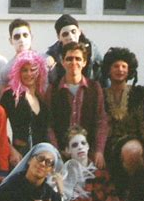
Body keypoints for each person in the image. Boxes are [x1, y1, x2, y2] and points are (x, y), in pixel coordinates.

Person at [45, 41, 108, 169]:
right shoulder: (53, 89)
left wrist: (99, 151)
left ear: (84, 62)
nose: (73, 62)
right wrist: (56, 152)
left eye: (78, 59)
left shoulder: (95, 88)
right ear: (62, 62)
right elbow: (48, 124)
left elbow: (101, 121)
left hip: (88, 153)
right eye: (69, 59)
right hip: (62, 153)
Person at [101, 47, 144, 199]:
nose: (120, 70)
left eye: (124, 66)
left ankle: (136, 196)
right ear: (108, 69)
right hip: (106, 143)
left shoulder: (140, 93)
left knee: (132, 152)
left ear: (130, 70)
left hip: (132, 140)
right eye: (115, 66)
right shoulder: (100, 94)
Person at [0, 50, 50, 158]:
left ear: (40, 72)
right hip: (19, 155)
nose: (29, 74)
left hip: (40, 157)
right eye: (24, 70)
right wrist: (11, 150)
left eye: (33, 70)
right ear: (18, 72)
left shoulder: (42, 99)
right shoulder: (11, 95)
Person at [46, 14, 103, 85]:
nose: (71, 37)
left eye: (73, 32)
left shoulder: (92, 50)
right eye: (65, 34)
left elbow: (103, 75)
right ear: (59, 37)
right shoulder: (53, 54)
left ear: (79, 32)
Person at [0, 18, 33, 91]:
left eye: (25, 35)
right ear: (11, 41)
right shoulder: (6, 70)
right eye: (17, 37)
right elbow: (3, 97)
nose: (21, 39)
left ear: (31, 37)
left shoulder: (46, 61)